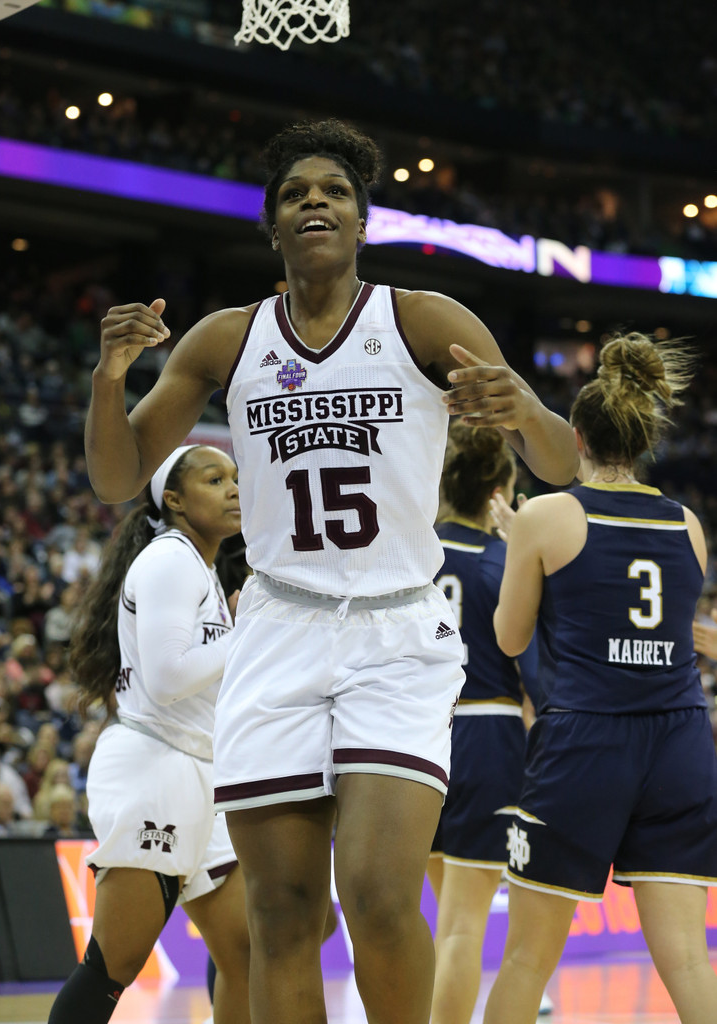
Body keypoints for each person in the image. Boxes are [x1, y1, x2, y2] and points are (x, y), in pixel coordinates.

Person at [83, 119, 578, 1024]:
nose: (315, 200)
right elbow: (117, 477)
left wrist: (529, 408)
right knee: (280, 913)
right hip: (278, 626)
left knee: (380, 895)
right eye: (295, 193)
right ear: (272, 226)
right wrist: (110, 377)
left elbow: (561, 461)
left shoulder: (422, 319)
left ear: (362, 223)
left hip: (395, 630)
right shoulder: (226, 340)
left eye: (336, 192)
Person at [483, 332, 717, 1024]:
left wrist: (517, 551)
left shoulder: (546, 514)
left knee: (529, 957)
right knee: (686, 956)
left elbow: (510, 638)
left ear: (576, 436)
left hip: (585, 740)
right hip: (680, 740)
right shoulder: (689, 523)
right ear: (645, 438)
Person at [47, 444, 251, 1024]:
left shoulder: (201, 566)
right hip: (154, 769)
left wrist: (234, 632)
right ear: (175, 500)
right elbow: (166, 681)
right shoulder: (171, 560)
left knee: (245, 952)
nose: (234, 489)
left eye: (235, 478)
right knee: (114, 965)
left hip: (198, 770)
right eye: (215, 479)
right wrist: (245, 635)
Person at [427, 423, 546, 1024]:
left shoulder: (411, 556)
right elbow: (537, 671)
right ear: (501, 490)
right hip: (486, 734)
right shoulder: (505, 560)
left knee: (434, 918)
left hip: (413, 739)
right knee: (462, 928)